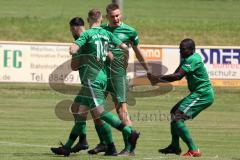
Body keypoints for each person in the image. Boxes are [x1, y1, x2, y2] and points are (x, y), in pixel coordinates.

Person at [53, 9, 140, 157]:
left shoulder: (87, 35)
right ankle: (68, 147)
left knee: (99, 112)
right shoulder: (106, 34)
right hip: (101, 77)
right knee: (79, 112)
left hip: (91, 79)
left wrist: (74, 50)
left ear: (88, 20)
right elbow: (119, 51)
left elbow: (73, 51)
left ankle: (129, 132)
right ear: (101, 19)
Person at [88, 3, 149, 156]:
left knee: (121, 110)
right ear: (106, 17)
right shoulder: (101, 31)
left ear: (120, 14)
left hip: (118, 75)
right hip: (101, 75)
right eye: (112, 16)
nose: (116, 18)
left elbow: (138, 52)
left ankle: (130, 148)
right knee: (96, 111)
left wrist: (148, 71)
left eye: (118, 15)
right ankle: (105, 143)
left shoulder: (129, 31)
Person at [148, 38, 215, 157]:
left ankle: (193, 149)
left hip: (203, 94)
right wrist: (158, 79)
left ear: (192, 50)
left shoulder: (193, 59)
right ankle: (175, 146)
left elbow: (178, 76)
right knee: (174, 112)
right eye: (180, 49)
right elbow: (175, 74)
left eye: (183, 49)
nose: (180, 51)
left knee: (178, 117)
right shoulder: (186, 59)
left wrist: (157, 78)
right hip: (198, 93)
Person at [50, 17, 89, 157]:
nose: (71, 32)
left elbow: (74, 66)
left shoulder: (81, 41)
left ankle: (69, 146)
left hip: (92, 83)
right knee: (76, 109)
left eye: (71, 29)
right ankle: (83, 140)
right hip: (92, 82)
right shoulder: (92, 36)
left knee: (97, 115)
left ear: (74, 28)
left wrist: (74, 55)